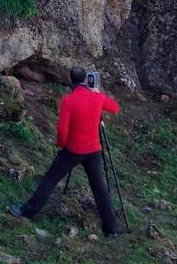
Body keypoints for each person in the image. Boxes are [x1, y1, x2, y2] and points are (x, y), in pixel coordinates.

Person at [8, 66, 120, 236]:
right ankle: (111, 229)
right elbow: (115, 108)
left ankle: (27, 212)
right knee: (99, 188)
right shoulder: (97, 97)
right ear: (85, 80)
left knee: (50, 180)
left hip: (72, 150)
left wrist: (61, 144)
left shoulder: (68, 100)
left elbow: (62, 130)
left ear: (71, 80)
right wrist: (98, 93)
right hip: (93, 151)